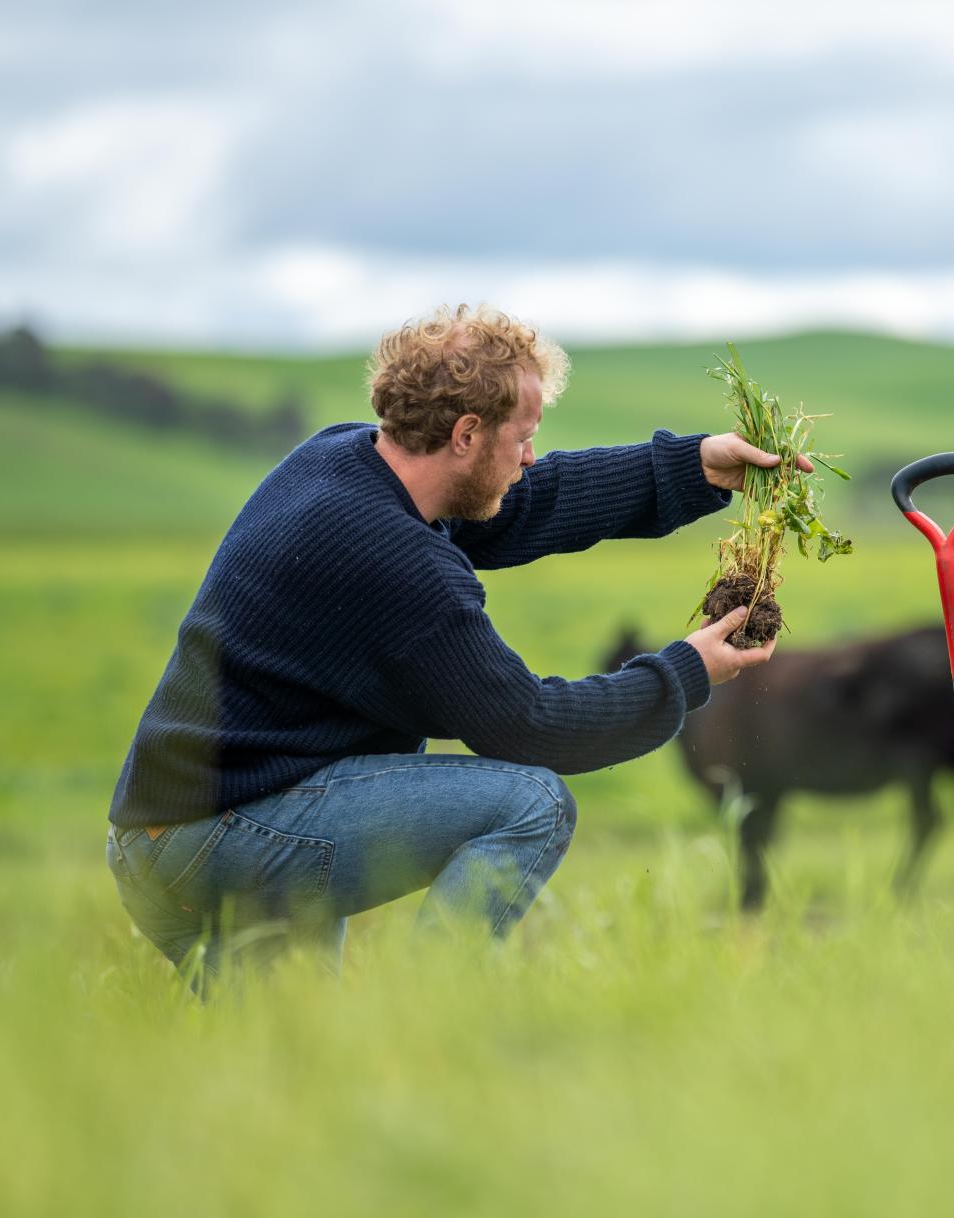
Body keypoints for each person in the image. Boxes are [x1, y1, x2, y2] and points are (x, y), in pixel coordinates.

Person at [104, 304, 795, 985]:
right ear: (466, 432)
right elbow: (532, 727)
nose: (530, 455)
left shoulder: (345, 460)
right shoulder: (396, 562)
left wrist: (692, 467)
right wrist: (687, 671)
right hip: (221, 835)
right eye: (522, 436)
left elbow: (525, 501)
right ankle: (429, 1010)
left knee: (296, 1061)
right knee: (534, 803)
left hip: (171, 833)